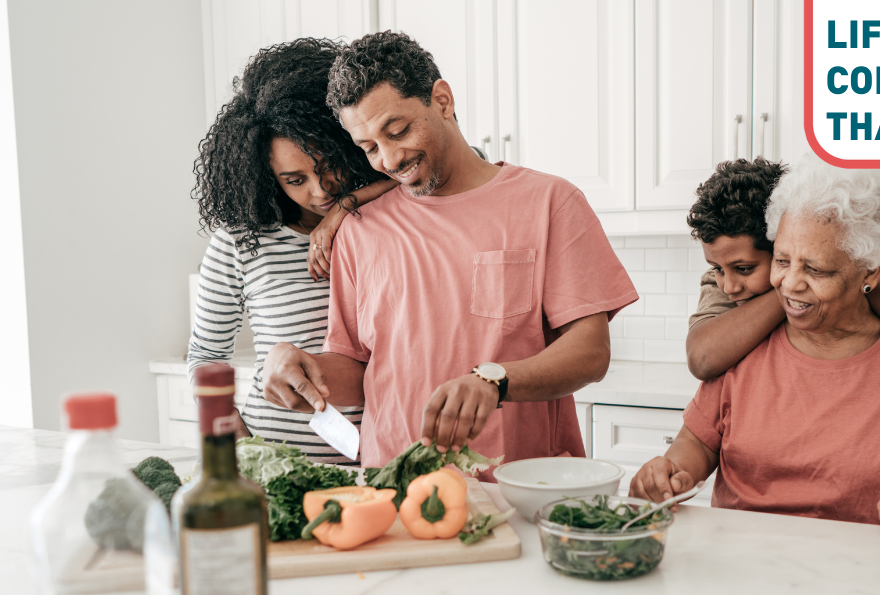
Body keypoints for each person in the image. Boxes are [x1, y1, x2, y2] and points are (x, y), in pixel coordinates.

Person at [261, 32, 637, 472]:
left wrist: (494, 382)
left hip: (520, 485)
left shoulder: (550, 202)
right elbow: (361, 371)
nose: (389, 159)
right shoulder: (359, 230)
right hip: (395, 488)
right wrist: (304, 372)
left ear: (442, 100)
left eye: (397, 131)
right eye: (369, 148)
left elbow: (590, 353)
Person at [631, 156, 880, 540]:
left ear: (870, 272)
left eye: (816, 269)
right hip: (742, 561)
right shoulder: (739, 341)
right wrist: (669, 473)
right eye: (781, 261)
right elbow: (694, 443)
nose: (789, 284)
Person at [188, 38, 397, 464]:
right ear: (267, 176)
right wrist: (246, 451)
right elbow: (206, 359)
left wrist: (347, 206)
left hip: (377, 465)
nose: (320, 191)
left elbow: (464, 163)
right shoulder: (241, 240)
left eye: (326, 166)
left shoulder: (388, 216)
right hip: (277, 462)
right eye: (294, 179)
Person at [685, 159, 880, 380]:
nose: (729, 286)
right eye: (718, 269)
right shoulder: (726, 278)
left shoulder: (863, 259)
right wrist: (796, 291)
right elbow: (703, 358)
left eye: (745, 269)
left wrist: (848, 280)